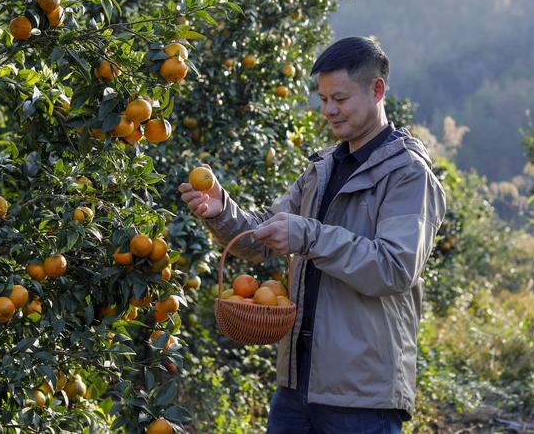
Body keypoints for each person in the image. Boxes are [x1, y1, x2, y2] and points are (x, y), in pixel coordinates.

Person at [179, 36, 446, 433]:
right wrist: (222, 211)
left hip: (361, 394)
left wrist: (309, 236)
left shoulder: (407, 174)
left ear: (377, 90)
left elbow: (393, 268)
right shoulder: (322, 168)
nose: (329, 110)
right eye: (323, 99)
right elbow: (263, 236)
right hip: (296, 384)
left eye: (340, 98)